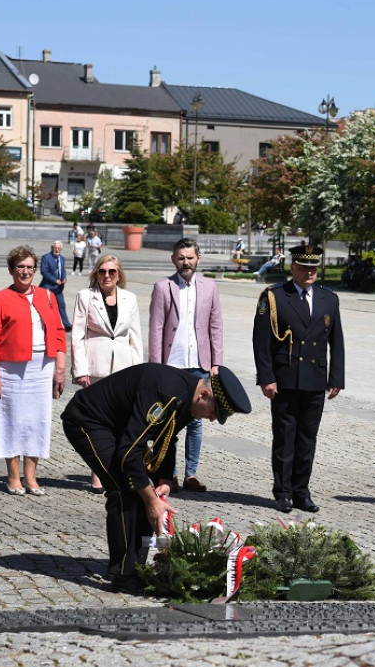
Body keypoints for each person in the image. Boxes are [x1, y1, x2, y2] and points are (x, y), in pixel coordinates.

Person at [62, 363, 251, 594]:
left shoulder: (186, 399)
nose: (211, 419)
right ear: (204, 394)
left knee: (143, 489)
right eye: (214, 412)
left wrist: (164, 481)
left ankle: (137, 567)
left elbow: (167, 438)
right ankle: (123, 574)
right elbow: (129, 452)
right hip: (88, 420)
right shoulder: (166, 393)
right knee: (124, 487)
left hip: (120, 428)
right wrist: (151, 499)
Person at [252, 244, 345, 514]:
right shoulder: (275, 297)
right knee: (284, 437)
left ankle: (301, 491)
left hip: (315, 380)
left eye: (313, 268)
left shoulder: (329, 299)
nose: (309, 272)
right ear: (293, 267)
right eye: (304, 267)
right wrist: (266, 377)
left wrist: (336, 377)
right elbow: (262, 341)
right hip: (285, 378)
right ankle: (282, 492)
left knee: (307, 439)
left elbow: (336, 341)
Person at [0, 245, 67, 497]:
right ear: (11, 270)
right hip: (11, 369)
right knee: (13, 420)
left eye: (30, 267)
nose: (26, 271)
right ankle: (12, 476)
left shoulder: (48, 296)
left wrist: (60, 369)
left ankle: (31, 476)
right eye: (20, 267)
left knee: (36, 422)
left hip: (43, 367)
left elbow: (60, 333)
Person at [148, 238, 224, 493]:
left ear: (198, 259)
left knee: (196, 421)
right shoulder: (163, 287)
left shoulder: (210, 287)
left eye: (190, 257)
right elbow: (156, 328)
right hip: (172, 364)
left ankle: (192, 473)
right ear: (174, 260)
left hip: (200, 364)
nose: (185, 262)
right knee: (169, 421)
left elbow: (215, 326)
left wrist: (216, 364)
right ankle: (170, 474)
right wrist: (156, 367)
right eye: (181, 258)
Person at [70, 254, 143, 493]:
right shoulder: (85, 297)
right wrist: (80, 369)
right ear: (96, 273)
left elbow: (135, 337)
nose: (107, 276)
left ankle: (120, 471)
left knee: (122, 422)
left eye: (112, 272)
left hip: (123, 366)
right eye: (102, 271)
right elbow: (77, 335)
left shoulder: (129, 298)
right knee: (98, 423)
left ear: (119, 275)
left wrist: (139, 372)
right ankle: (98, 474)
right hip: (95, 366)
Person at [40, 241, 71, 329]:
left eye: (58, 248)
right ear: (52, 248)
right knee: (47, 307)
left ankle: (67, 325)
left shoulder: (62, 258)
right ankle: (47, 324)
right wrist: (55, 280)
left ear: (61, 249)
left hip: (58, 287)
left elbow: (63, 270)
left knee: (61, 305)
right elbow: (44, 271)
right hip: (48, 286)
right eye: (55, 248)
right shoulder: (46, 257)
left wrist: (64, 278)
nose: (56, 250)